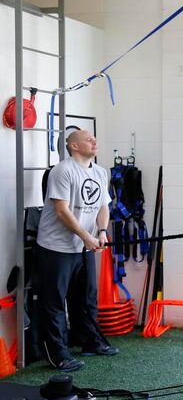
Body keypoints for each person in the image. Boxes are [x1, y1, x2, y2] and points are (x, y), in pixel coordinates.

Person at [35, 130, 119, 372]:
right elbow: (62, 211)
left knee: (86, 298)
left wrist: (101, 232)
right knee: (54, 303)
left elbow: (104, 206)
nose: (94, 141)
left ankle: (90, 341)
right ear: (73, 145)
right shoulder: (63, 170)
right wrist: (86, 236)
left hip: (85, 245)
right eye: (88, 139)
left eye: (95, 137)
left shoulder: (101, 172)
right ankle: (58, 355)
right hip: (56, 247)